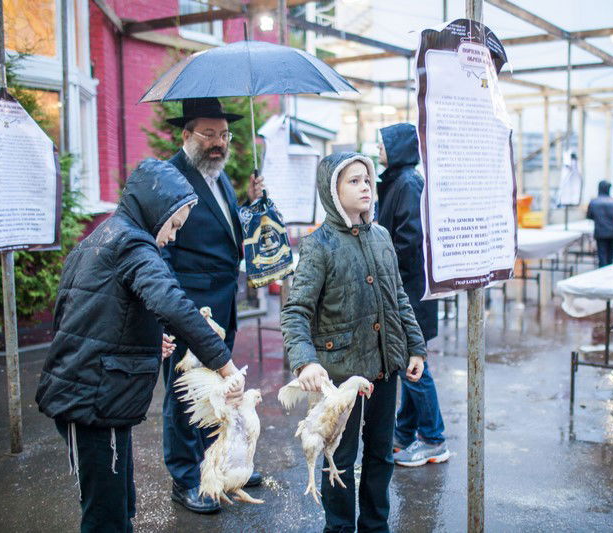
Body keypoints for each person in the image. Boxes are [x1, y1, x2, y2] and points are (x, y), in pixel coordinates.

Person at [35, 159, 246, 533]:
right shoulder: (134, 243)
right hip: (94, 401)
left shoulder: (103, 236)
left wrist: (149, 340)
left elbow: (94, 314)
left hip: (91, 394)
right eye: (175, 224)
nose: (174, 236)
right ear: (157, 209)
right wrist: (224, 364)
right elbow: (170, 301)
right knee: (107, 518)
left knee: (120, 505)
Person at [281, 152, 426, 532]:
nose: (366, 186)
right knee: (339, 458)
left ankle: (376, 525)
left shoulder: (381, 237)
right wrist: (304, 361)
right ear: (332, 191)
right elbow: (296, 310)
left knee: (381, 453)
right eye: (354, 181)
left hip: (383, 367)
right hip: (339, 376)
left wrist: (415, 346)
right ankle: (340, 527)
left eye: (368, 179)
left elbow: (399, 297)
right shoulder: (319, 245)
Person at [161, 97, 264, 514]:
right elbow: (161, 248)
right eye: (208, 134)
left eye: (224, 134)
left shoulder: (217, 176)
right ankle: (185, 478)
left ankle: (214, 465)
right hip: (190, 306)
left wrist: (249, 202)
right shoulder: (170, 177)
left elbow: (221, 229)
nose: (218, 142)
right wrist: (169, 310)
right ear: (186, 135)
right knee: (185, 395)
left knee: (217, 392)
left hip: (223, 302)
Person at [376, 123, 450, 467]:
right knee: (409, 360)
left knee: (413, 364)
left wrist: (386, 273)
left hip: (408, 290)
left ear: (398, 147)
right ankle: (404, 434)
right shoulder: (398, 180)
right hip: (406, 288)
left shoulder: (406, 183)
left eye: (383, 143)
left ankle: (434, 439)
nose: (378, 148)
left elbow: (409, 239)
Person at [587, 179, 613, 267]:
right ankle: (609, 273)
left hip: (600, 232)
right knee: (610, 257)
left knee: (602, 256)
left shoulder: (593, 202)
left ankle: (602, 274)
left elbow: (589, 216)